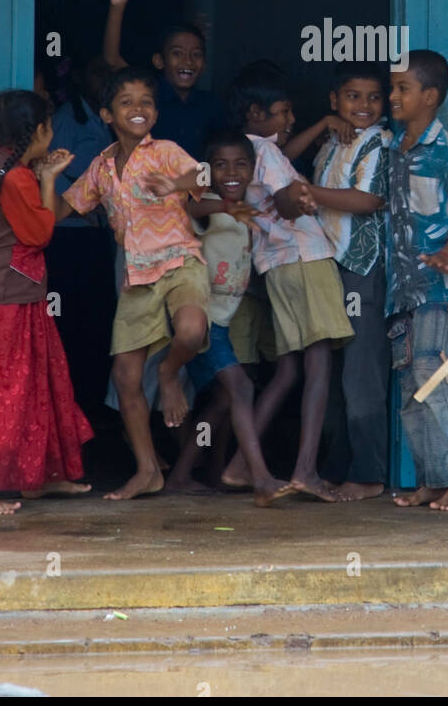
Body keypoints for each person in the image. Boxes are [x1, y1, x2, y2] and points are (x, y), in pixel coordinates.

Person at [56, 66, 213, 500]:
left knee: (192, 330)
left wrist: (175, 182)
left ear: (156, 113)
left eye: (145, 102)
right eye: (127, 102)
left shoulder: (164, 151)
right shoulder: (102, 167)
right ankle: (147, 470)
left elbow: (205, 178)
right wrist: (45, 175)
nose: (138, 109)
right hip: (136, 275)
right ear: (107, 113)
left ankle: (167, 371)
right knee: (125, 376)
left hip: (180, 262)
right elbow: (60, 213)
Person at [217, 62, 355, 501]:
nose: (290, 120)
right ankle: (306, 471)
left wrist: (317, 128)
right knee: (318, 365)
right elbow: (285, 197)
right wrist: (303, 197)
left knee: (288, 369)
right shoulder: (270, 154)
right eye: (283, 112)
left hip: (274, 265)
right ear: (257, 112)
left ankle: (241, 465)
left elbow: (283, 159)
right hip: (305, 257)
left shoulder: (251, 151)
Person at [0, 90, 92, 514]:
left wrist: (44, 176)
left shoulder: (16, 169)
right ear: (38, 131)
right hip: (1, 299)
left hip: (22, 295)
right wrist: (49, 179)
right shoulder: (15, 177)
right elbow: (40, 235)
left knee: (34, 388)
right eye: (49, 126)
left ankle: (38, 477)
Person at [165, 130, 294, 505]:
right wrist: (224, 207)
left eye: (241, 164)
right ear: (206, 172)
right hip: (201, 321)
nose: (231, 173)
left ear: (253, 169)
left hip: (222, 321)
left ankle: (181, 475)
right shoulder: (205, 202)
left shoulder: (249, 207)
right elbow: (191, 210)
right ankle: (259, 477)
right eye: (220, 165)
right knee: (241, 389)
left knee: (224, 400)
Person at [386, 51, 448, 513]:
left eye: (402, 88)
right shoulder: (391, 148)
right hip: (400, 284)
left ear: (431, 96)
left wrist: (447, 253)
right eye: (393, 88)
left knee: (431, 372)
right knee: (409, 383)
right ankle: (431, 480)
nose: (392, 96)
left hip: (436, 282)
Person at [303, 65, 391, 500]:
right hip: (329, 265)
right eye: (353, 97)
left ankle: (370, 474)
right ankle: (337, 468)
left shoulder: (381, 142)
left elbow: (368, 199)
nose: (364, 106)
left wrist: (307, 193)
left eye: (373, 98)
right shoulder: (331, 143)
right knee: (334, 371)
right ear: (334, 100)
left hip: (361, 267)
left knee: (361, 373)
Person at [46, 55, 117, 414]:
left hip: (98, 235)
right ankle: (72, 403)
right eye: (96, 71)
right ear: (79, 77)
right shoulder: (65, 120)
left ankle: (93, 402)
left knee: (99, 316)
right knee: (69, 318)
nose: (103, 79)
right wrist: (83, 205)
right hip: (69, 234)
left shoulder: (110, 118)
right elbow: (52, 172)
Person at [101, 0, 225, 160]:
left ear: (204, 65)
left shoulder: (211, 105)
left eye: (196, 54)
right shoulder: (148, 95)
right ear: (159, 61)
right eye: (177, 53)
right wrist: (117, 6)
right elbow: (112, 61)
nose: (188, 61)